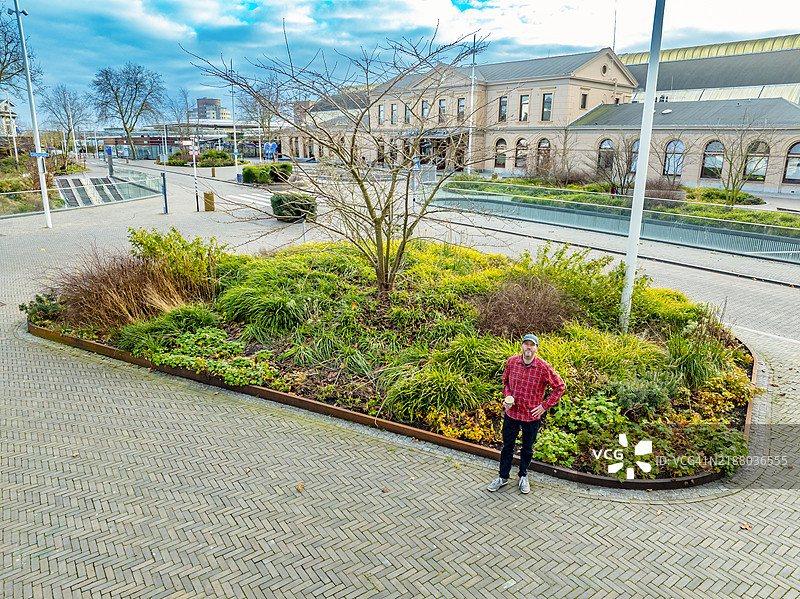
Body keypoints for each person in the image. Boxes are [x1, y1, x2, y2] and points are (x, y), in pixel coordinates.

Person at [488, 334, 565, 494]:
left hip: (531, 416)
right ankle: (503, 477)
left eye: (532, 345)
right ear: (521, 346)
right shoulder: (511, 362)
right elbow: (505, 382)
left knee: (527, 448)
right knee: (507, 447)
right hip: (512, 414)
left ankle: (523, 476)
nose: (528, 347)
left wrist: (545, 406)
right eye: (526, 344)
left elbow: (559, 386)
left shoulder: (544, 367)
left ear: (536, 348)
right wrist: (508, 396)